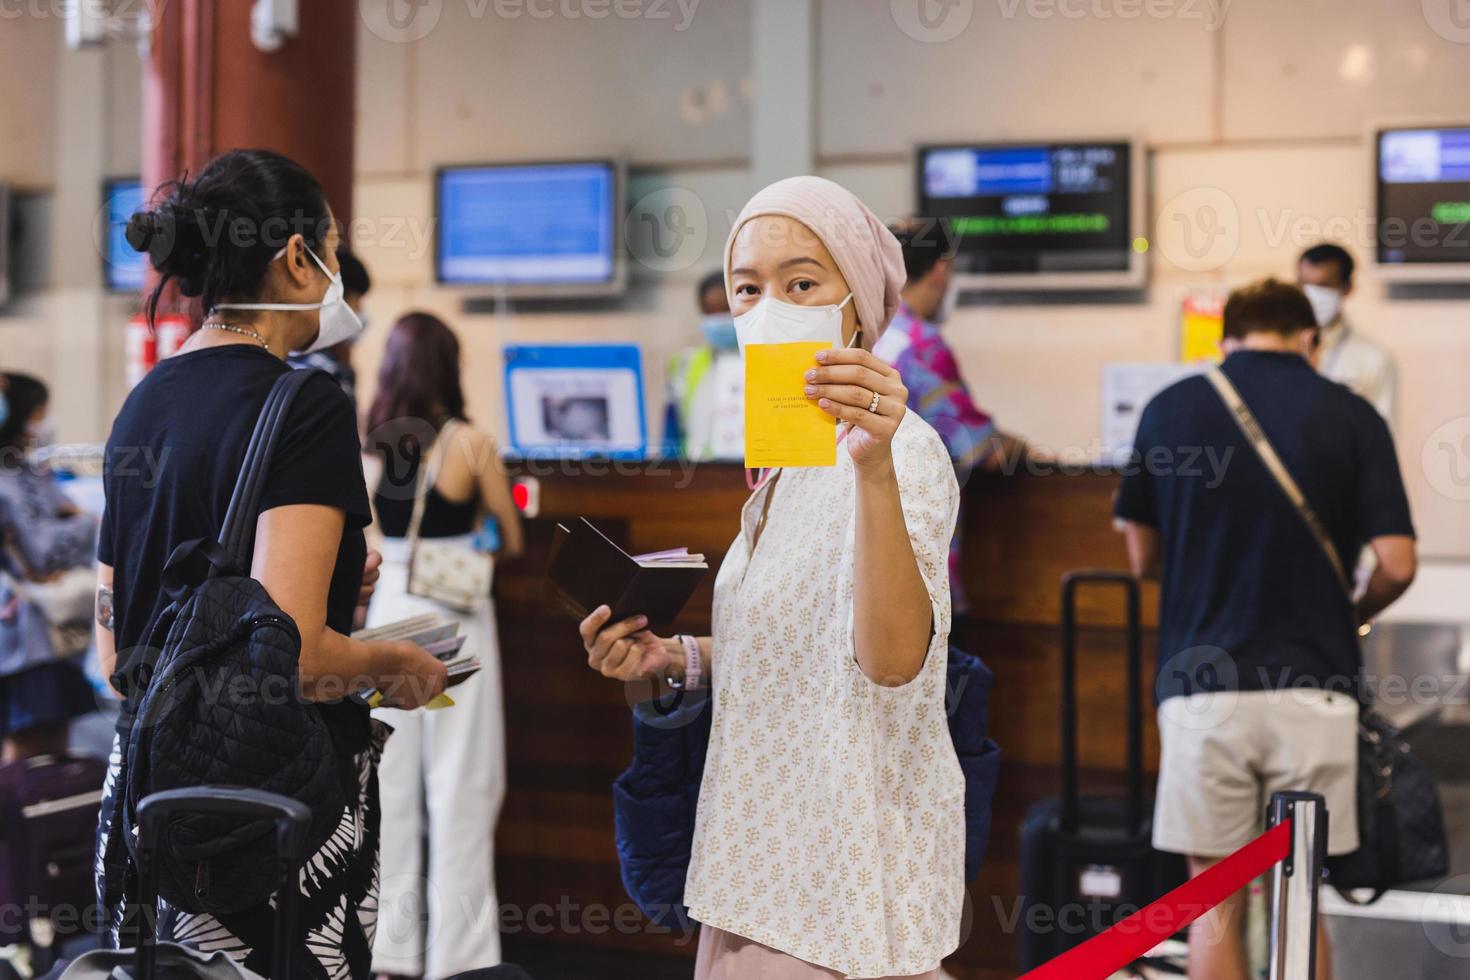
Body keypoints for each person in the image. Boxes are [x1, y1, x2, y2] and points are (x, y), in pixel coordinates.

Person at [580, 176, 964, 979]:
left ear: (855, 302)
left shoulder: (901, 454)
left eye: (801, 283)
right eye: (747, 288)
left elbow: (893, 661)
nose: (767, 307)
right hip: (753, 867)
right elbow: (802, 647)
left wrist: (876, 472)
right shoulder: (790, 460)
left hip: (840, 887)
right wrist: (676, 658)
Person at [95, 149, 447, 980]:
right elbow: (301, 660)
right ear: (297, 259)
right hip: (270, 812)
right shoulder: (308, 405)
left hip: (152, 809)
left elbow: (119, 655)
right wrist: (396, 662)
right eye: (329, 249)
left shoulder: (142, 401)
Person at [1114, 279, 1417, 980]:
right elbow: (1398, 562)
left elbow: (1140, 556)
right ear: (1309, 337)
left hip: (1200, 685)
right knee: (1298, 894)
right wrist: (1354, 611)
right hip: (1315, 683)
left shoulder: (1170, 410)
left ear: (1226, 338)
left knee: (1212, 899)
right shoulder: (1351, 414)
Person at [361, 312, 524, 980]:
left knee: (391, 783)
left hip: (388, 614)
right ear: (449, 366)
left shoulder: (370, 445)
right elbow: (509, 539)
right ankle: (460, 958)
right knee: (462, 782)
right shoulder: (471, 444)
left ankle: (388, 951)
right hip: (454, 620)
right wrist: (479, 535)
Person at [0, 373, 97, 763]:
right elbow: (42, 552)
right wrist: (84, 523)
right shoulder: (11, 480)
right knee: (28, 747)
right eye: (41, 411)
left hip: (49, 635)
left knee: (55, 740)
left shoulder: (28, 472)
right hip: (23, 637)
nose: (46, 420)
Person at [876, 220, 1020, 473]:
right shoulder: (923, 344)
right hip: (915, 505)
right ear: (941, 271)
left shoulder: (865, 329)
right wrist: (1022, 448)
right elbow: (978, 448)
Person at [1298, 243, 1396, 425]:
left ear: (1347, 287)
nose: (1312, 295)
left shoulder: (1374, 358)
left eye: (1324, 286)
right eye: (1305, 284)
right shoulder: (1281, 350)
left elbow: (1384, 436)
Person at [662, 270, 745, 460]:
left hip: (750, 475)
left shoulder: (766, 360)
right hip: (698, 474)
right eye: (710, 311)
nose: (718, 319)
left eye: (725, 309)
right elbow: (671, 431)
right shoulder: (684, 363)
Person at [289, 246, 372, 402]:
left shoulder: (333, 361)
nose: (361, 310)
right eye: (356, 300)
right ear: (337, 299)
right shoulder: (324, 370)